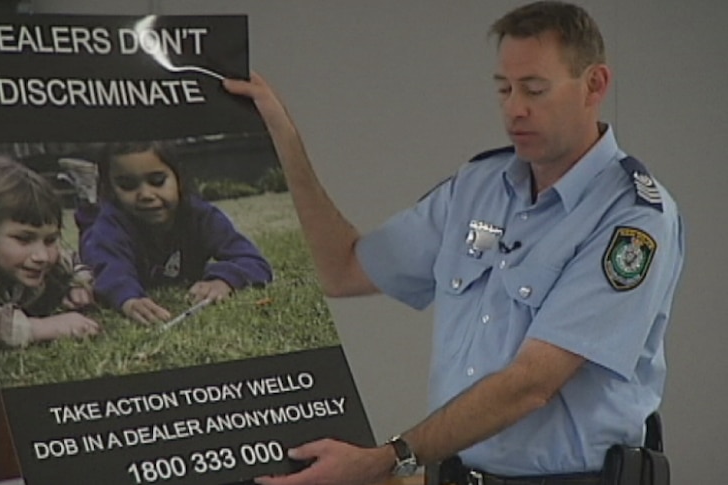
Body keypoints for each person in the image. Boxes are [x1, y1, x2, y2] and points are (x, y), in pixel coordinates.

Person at [223, 1, 685, 484]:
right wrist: (283, 139)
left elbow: (532, 384)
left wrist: (389, 457)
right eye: (504, 89)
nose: (514, 108)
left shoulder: (631, 218)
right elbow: (343, 269)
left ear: (595, 85)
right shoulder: (477, 187)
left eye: (534, 89)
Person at [79, 140, 273, 324]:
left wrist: (224, 280)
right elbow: (110, 270)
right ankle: (89, 201)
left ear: (179, 178)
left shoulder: (201, 216)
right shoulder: (112, 225)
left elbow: (253, 261)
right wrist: (128, 299)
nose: (146, 195)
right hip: (96, 237)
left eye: (157, 181)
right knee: (92, 246)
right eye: (127, 185)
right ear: (112, 189)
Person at [0, 153, 101, 348]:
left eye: (50, 240)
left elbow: (72, 263)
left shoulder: (48, 263)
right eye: (24, 239)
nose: (43, 256)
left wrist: (77, 286)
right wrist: (38, 328)